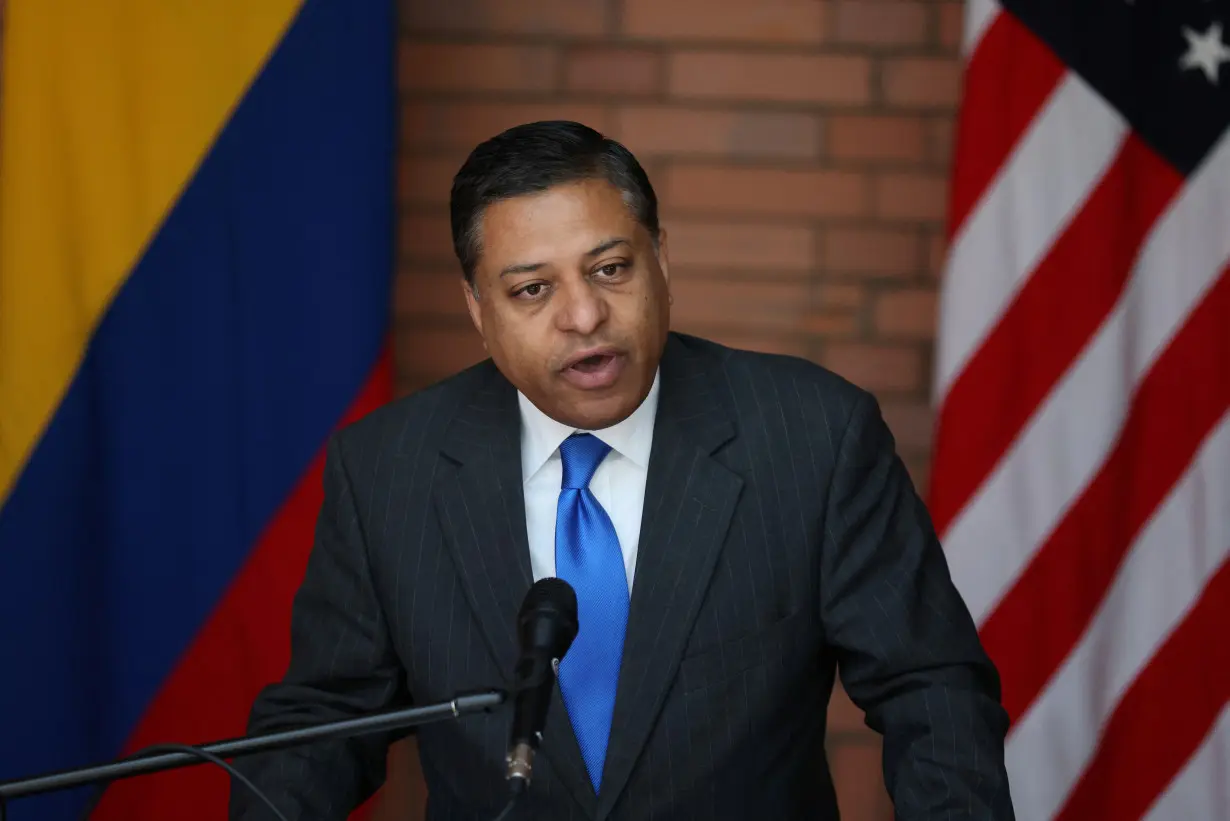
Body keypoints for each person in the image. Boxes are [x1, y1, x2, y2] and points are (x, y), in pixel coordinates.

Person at [230, 120, 1015, 821]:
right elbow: (325, 721)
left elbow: (931, 691)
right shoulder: (386, 470)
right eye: (533, 289)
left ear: (661, 259)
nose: (583, 315)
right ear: (477, 308)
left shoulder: (810, 434)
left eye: (609, 269)